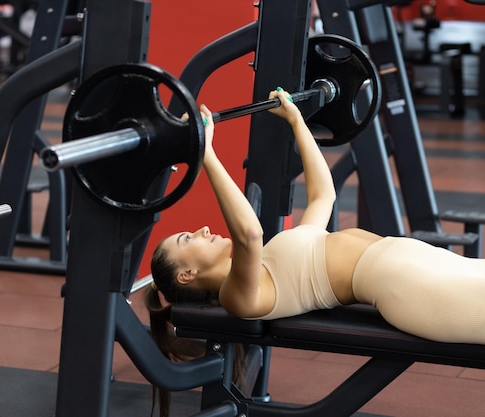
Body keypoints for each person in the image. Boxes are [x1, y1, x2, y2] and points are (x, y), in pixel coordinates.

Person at [146, 86, 485, 349]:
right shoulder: (237, 297)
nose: (202, 229)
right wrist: (207, 155)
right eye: (187, 239)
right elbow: (248, 234)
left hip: (426, 262)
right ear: (187, 275)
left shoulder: (274, 259)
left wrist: (297, 121)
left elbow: (324, 195)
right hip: (408, 287)